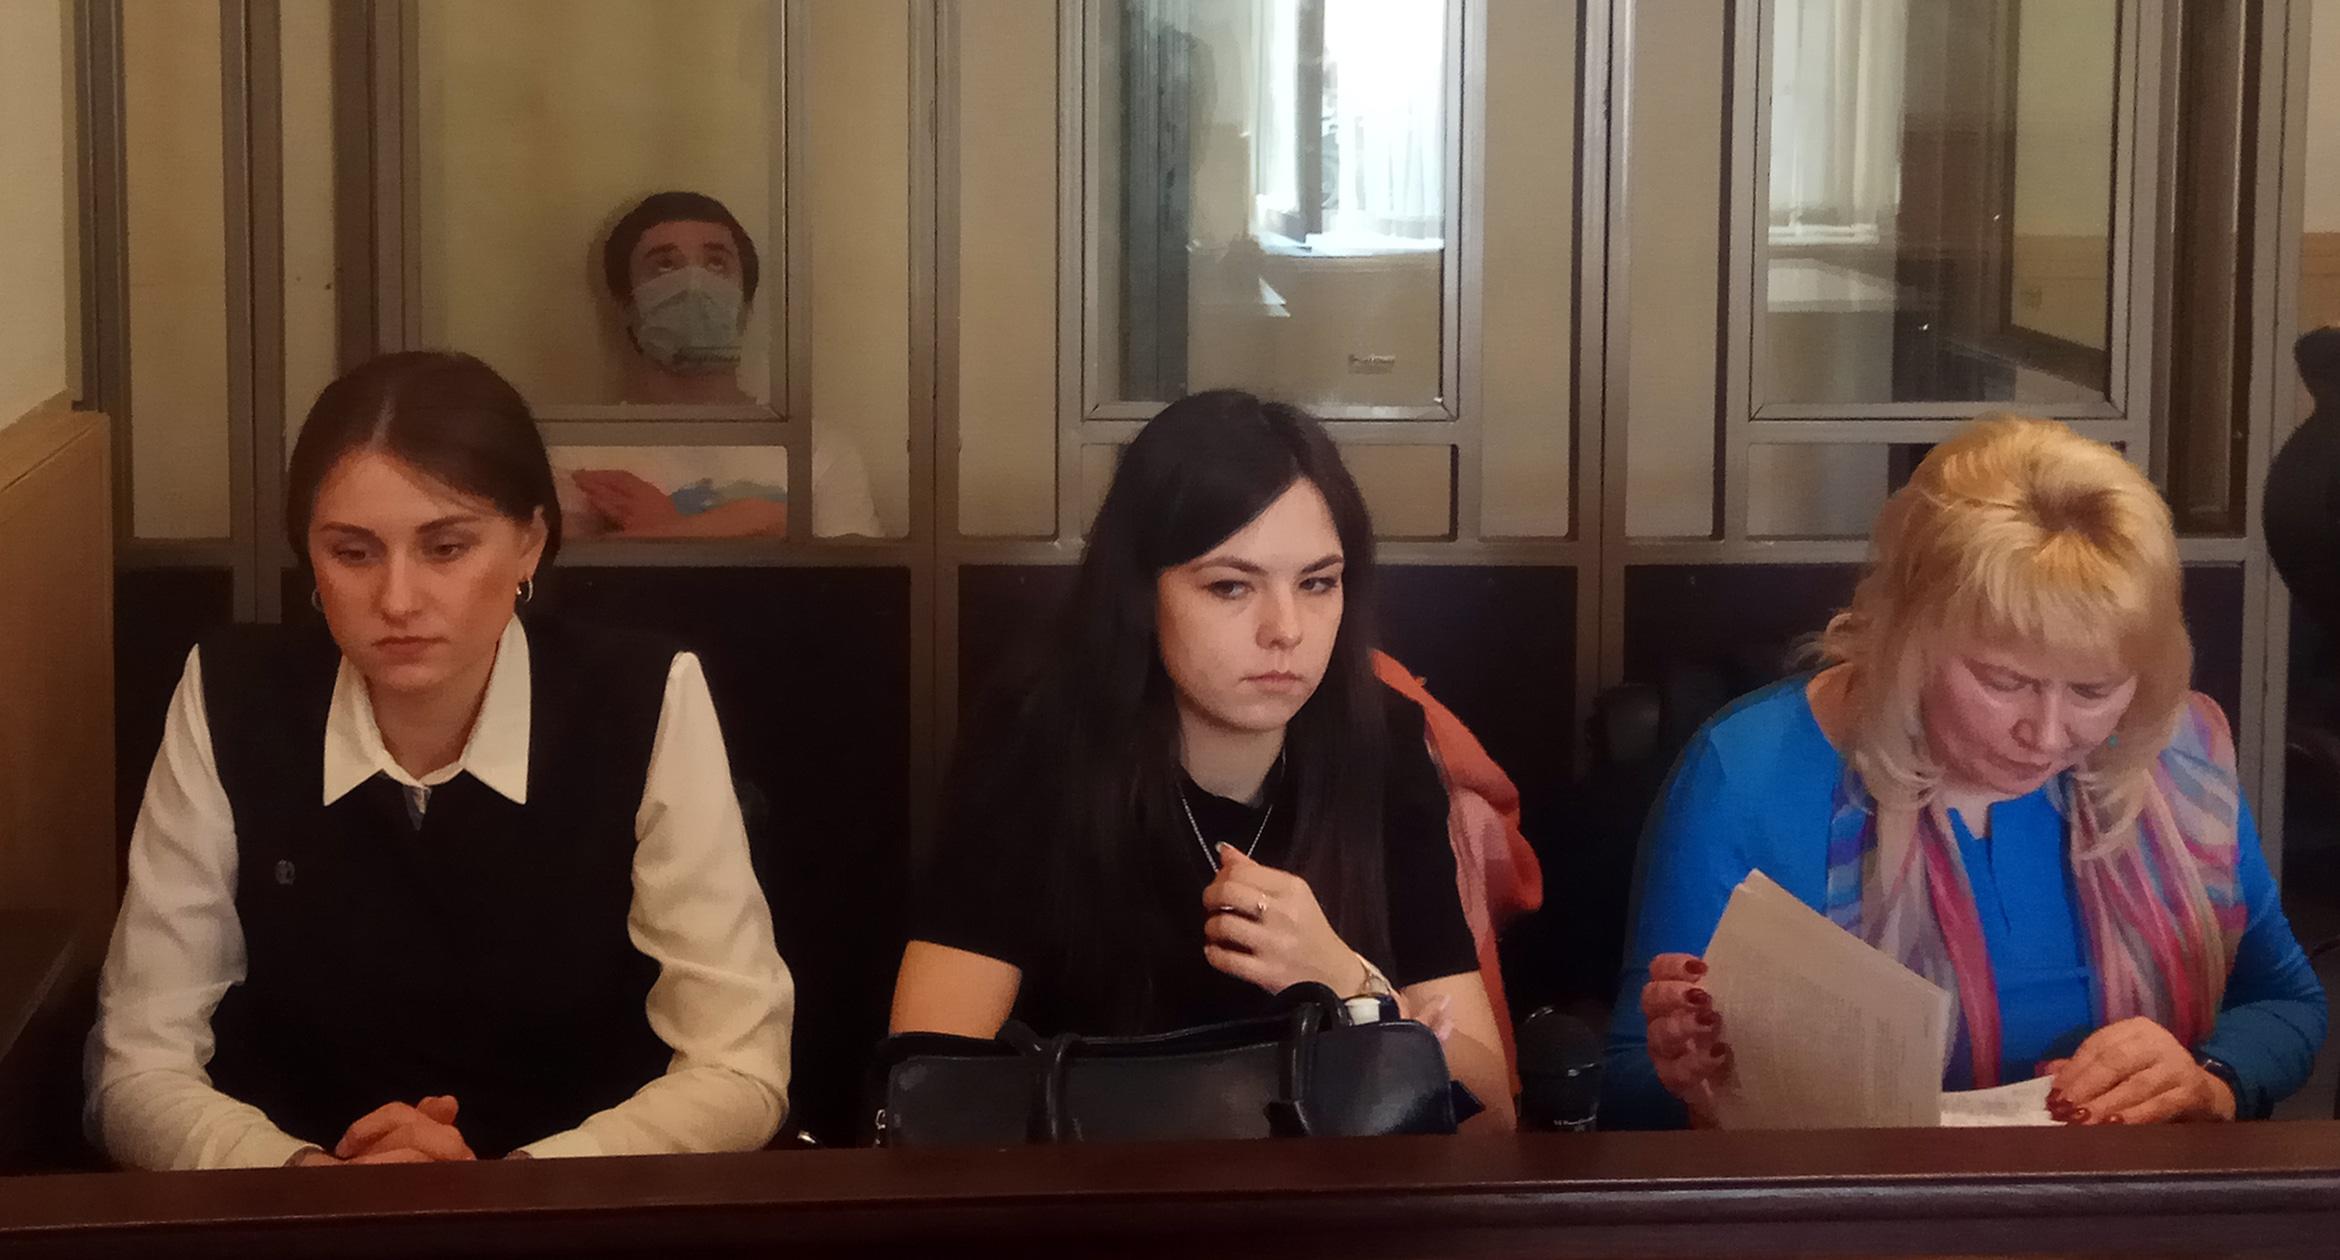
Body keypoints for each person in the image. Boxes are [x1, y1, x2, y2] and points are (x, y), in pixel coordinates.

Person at [86, 351, 795, 1168]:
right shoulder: (232, 695)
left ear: (530, 544)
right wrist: (308, 1179)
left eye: (447, 548)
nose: (397, 600)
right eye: (353, 553)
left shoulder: (643, 695)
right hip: (297, 1207)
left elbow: (739, 1064)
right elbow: (136, 1064)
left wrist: (509, 1190)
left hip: (571, 1206)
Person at [1606, 416, 2328, 1130]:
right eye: (2004, 681)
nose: (2047, 735)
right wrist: (1693, 1084)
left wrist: (2209, 1079)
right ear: (1909, 634)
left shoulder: (2176, 752)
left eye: (2092, 690)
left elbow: (2286, 1003)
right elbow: (1629, 1082)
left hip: (2131, 1196)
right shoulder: (1753, 772)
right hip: (1861, 1201)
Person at [889, 389, 1514, 1130]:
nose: (1286, 629)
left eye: (1318, 583)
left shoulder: (1380, 743)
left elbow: (1491, 1117)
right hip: (1092, 1186)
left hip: (1331, 1194)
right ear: (1140, 593)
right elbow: (928, 1087)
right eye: (1230, 586)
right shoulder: (1040, 744)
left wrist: (1349, 987)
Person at [568, 189, 882, 540]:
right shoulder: (578, 453)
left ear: (745, 304)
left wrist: (671, 529)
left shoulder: (818, 452)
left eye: (716, 263)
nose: (694, 284)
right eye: (664, 265)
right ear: (626, 304)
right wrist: (763, 520)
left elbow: (852, 574)